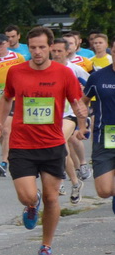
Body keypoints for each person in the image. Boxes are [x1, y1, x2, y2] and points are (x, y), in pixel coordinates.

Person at [49, 36, 93, 204]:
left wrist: (83, 92)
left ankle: (59, 179)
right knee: (61, 147)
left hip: (70, 114)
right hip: (51, 115)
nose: (56, 54)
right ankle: (75, 182)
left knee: (59, 140)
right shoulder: (46, 68)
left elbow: (91, 88)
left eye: (60, 51)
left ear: (68, 51)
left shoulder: (75, 69)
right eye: (54, 51)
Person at [0, 31, 25, 177]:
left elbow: (26, 73)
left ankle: (4, 162)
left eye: (1, 44)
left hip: (13, 98)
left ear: (7, 44)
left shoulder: (17, 57)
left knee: (7, 129)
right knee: (1, 131)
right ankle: (9, 156)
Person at [84, 51, 115, 213]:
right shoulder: (98, 77)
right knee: (104, 191)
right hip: (104, 137)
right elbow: (83, 101)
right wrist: (82, 124)